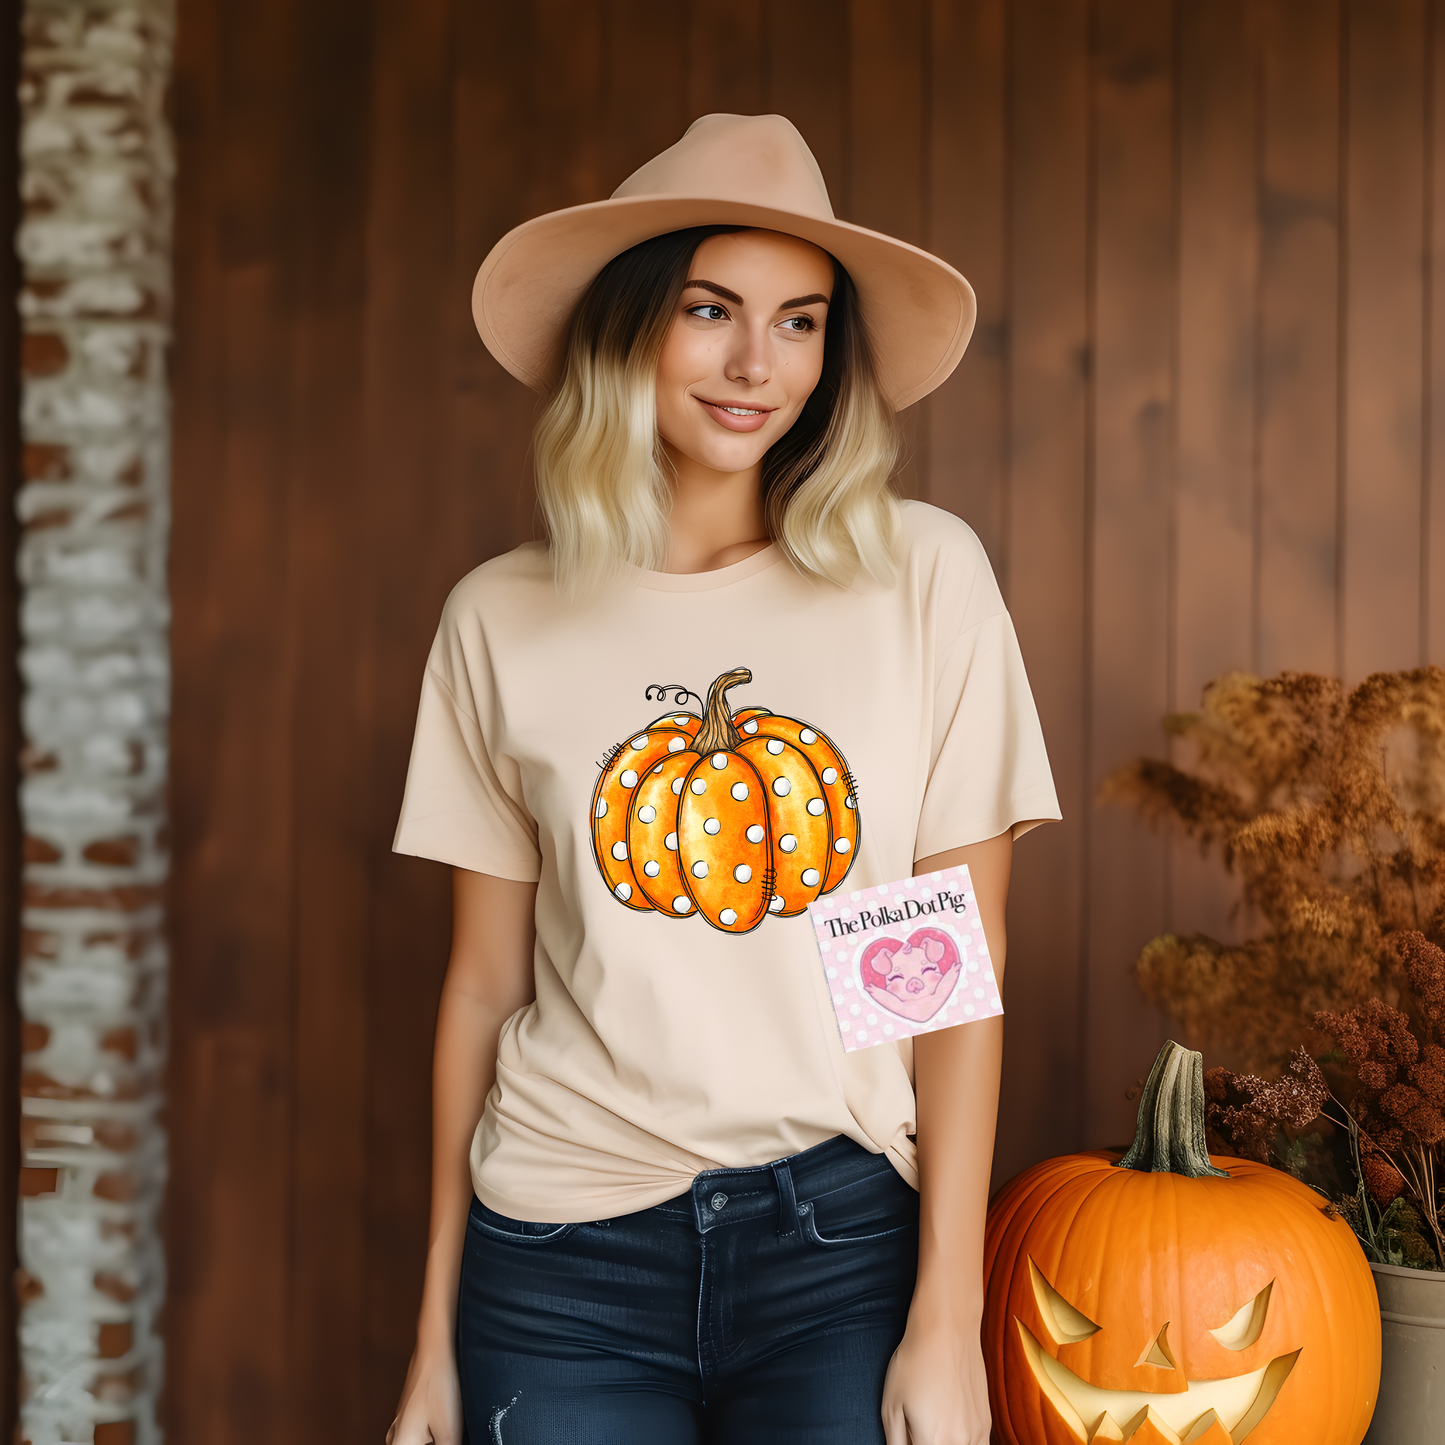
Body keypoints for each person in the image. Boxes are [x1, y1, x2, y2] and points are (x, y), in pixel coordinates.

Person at [387, 113, 1059, 1445]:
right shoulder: (501, 618)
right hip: (561, 1253)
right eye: (712, 309)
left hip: (840, 1247)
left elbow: (936, 978)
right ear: (629, 328)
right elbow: (483, 988)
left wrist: (944, 1320)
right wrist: (430, 1350)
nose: (760, 362)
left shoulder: (914, 582)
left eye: (802, 321)